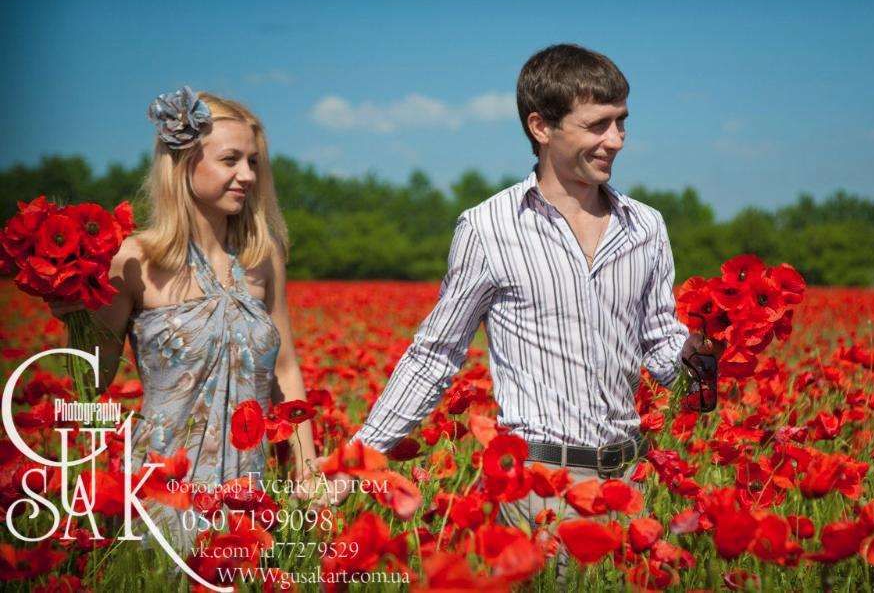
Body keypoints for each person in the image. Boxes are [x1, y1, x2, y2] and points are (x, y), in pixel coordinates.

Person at [347, 44, 720, 577]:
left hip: (629, 488)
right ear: (541, 127)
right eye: (597, 126)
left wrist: (713, 343)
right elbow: (434, 356)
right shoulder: (488, 228)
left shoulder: (647, 227)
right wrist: (358, 457)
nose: (615, 141)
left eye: (621, 123)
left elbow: (661, 344)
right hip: (535, 492)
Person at [48, 87, 344, 552]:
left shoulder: (262, 258)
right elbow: (95, 378)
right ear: (184, 163)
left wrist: (307, 470)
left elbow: (285, 367)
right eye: (230, 160)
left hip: (248, 489)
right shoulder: (134, 260)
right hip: (161, 489)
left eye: (253, 163)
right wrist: (76, 315)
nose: (246, 175)